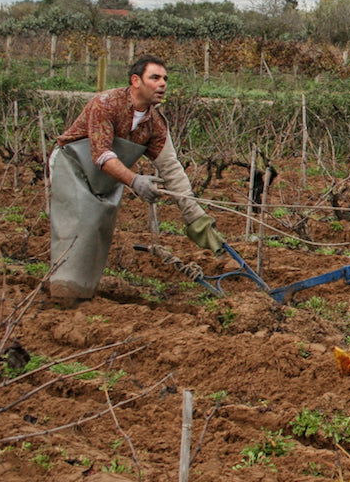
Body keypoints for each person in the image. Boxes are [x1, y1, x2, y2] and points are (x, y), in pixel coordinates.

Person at [49, 54, 227, 305]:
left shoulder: (154, 124)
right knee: (77, 227)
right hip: (74, 168)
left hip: (107, 179)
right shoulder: (106, 104)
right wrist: (135, 181)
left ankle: (82, 293)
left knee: (99, 231)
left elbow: (170, 168)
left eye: (165, 78)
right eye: (155, 78)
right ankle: (63, 294)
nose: (162, 84)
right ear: (136, 81)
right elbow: (101, 154)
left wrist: (195, 217)